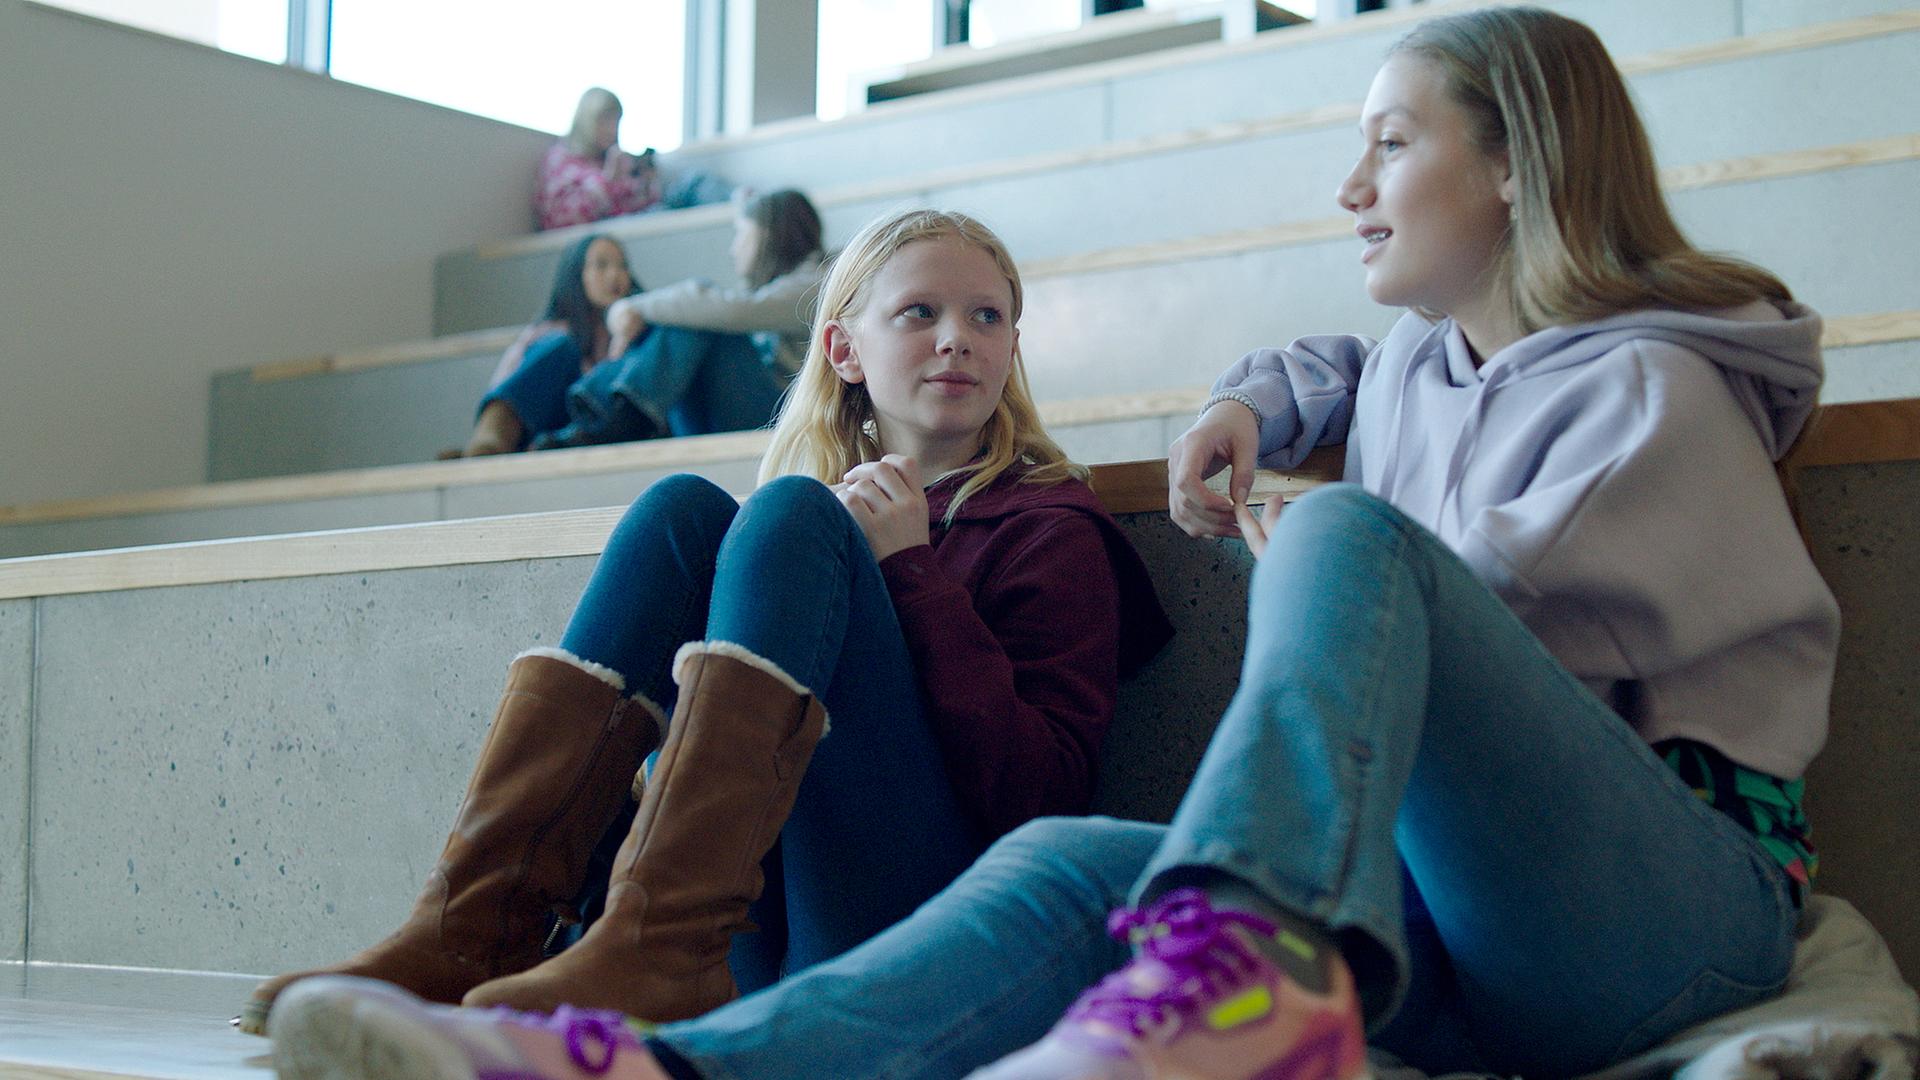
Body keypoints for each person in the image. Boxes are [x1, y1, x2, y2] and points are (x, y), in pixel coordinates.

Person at [262, 7, 1846, 1080]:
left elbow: (1476, 611)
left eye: (1391, 144)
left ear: (1513, 166)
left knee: (1348, 537)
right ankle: (650, 1058)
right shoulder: (1429, 367)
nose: (1350, 187)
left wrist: (1310, 526)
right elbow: (1361, 374)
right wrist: (1253, 399)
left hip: (1669, 902)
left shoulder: (1656, 384)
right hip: (1446, 922)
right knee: (1056, 870)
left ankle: (1241, 976)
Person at [247, 207, 1172, 1049]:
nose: (956, 341)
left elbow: (1044, 805)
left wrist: (912, 572)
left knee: (793, 514)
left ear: (1013, 348)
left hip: (920, 946)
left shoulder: (1050, 529)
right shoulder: (805, 525)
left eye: (987, 318)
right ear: (845, 349)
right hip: (761, 926)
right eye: (920, 313)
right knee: (683, 511)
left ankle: (662, 947)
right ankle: (477, 930)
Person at [457, 189, 827, 456]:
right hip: (737, 415)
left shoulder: (815, 286)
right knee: (689, 315)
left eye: (741, 235)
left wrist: (630, 308)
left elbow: (729, 309)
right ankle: (610, 419)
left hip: (778, 422)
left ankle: (621, 417)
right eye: (600, 266)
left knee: (695, 316)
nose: (733, 249)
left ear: (765, 237)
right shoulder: (555, 335)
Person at [439, 233, 641, 459]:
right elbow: (510, 382)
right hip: (537, 422)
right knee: (562, 346)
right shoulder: (551, 334)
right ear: (576, 274)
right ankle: (491, 441)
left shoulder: (636, 328)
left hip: (582, 429)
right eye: (601, 265)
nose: (615, 275)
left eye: (622, 266)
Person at [536, 87, 729, 232]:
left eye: (616, 121)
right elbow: (560, 219)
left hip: (637, 215)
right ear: (588, 120)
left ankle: (743, 201)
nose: (612, 129)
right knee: (664, 216)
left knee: (692, 181)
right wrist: (608, 180)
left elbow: (641, 201)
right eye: (605, 120)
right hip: (607, 228)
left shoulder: (613, 158)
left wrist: (647, 182)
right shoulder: (562, 161)